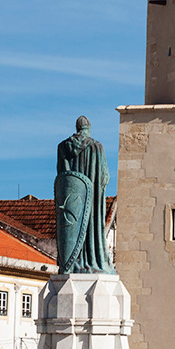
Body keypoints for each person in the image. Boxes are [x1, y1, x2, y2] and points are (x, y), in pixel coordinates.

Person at [54, 117, 115, 274]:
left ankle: (72, 261)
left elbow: (63, 175)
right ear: (88, 128)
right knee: (92, 226)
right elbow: (104, 177)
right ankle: (92, 259)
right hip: (91, 200)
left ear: (77, 127)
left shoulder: (62, 147)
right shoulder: (96, 147)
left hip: (71, 203)